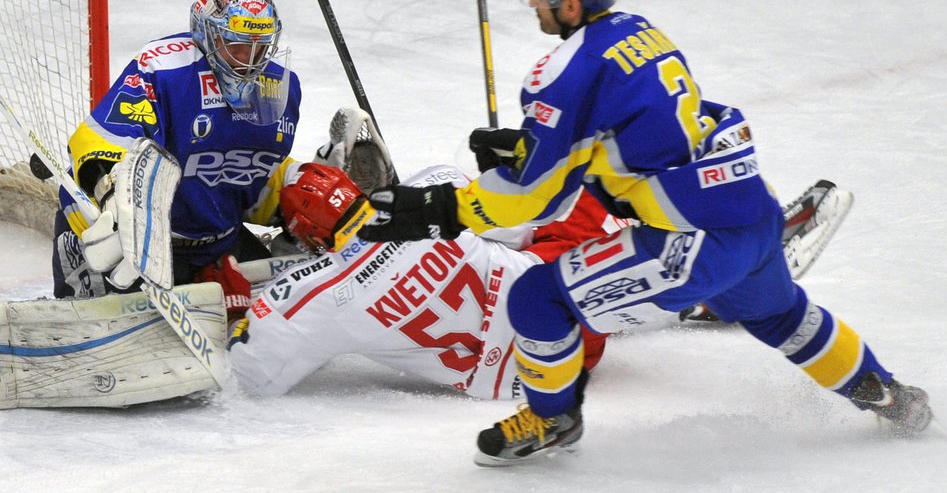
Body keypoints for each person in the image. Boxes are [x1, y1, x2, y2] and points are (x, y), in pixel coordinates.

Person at [359, 0, 932, 465]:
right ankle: (887, 395)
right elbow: (629, 130)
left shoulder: (564, 67)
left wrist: (440, 209)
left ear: (572, 4)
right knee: (782, 316)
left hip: (694, 239)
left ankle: (551, 418)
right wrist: (531, 145)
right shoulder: (639, 30)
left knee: (537, 299)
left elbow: (535, 199)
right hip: (751, 213)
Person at [229, 158, 847, 401]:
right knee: (585, 201)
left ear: (308, 237)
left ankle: (706, 289)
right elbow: (526, 217)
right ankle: (716, 275)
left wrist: (235, 302)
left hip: (524, 374)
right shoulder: (426, 189)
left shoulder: (313, 297)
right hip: (573, 324)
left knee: (568, 257)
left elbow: (251, 372)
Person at [52, 0, 302, 299]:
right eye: (236, 46)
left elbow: (243, 179)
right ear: (209, 33)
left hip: (215, 244)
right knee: (110, 339)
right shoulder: (164, 68)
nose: (248, 61)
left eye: (260, 47)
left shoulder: (279, 87)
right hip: (124, 240)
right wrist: (114, 203)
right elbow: (100, 141)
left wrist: (302, 192)